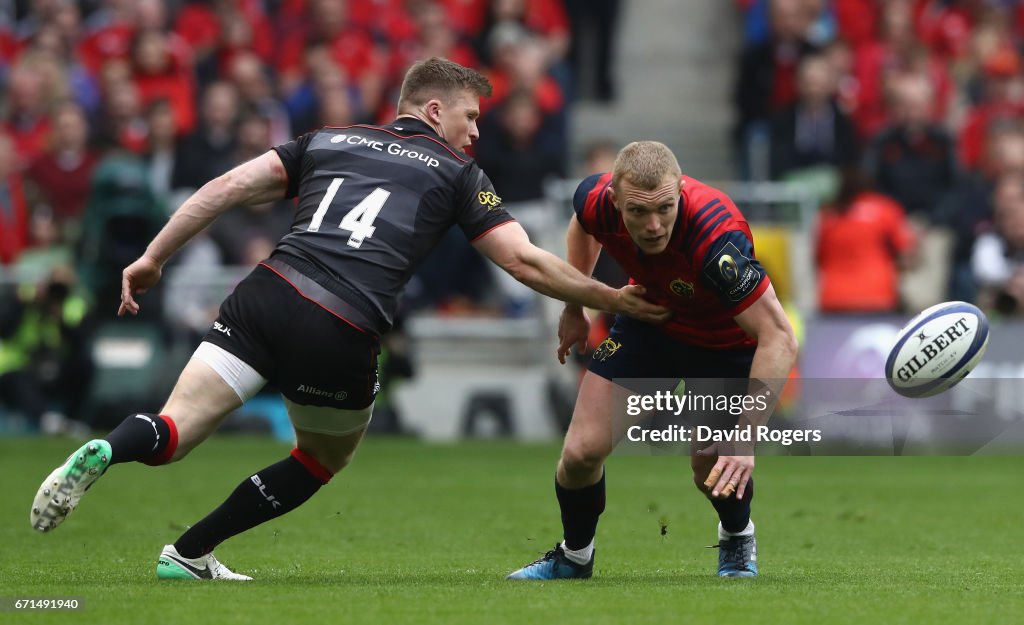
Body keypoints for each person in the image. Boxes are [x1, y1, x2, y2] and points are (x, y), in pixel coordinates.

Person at [29, 58, 668, 581]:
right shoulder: (456, 172)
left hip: (265, 292)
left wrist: (151, 258)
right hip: (339, 321)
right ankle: (190, 550)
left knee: (172, 431)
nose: (476, 134)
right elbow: (525, 261)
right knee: (319, 457)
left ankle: (110, 448)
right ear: (433, 110)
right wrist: (610, 300)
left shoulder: (325, 138)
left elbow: (223, 189)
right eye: (471, 118)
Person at [506, 141, 798, 580]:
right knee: (581, 453)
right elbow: (582, 225)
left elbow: (779, 337)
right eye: (638, 213)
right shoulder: (594, 199)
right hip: (650, 321)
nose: (654, 225)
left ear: (680, 191)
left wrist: (745, 438)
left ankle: (737, 537)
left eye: (665, 207)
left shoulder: (716, 239)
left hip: (722, 343)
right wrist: (574, 305)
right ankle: (574, 557)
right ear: (615, 200)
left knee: (711, 463)